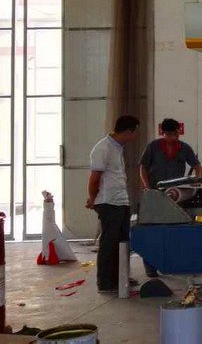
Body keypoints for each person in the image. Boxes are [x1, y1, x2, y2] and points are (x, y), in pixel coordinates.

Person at [139, 118, 202, 277]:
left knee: (173, 229)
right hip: (155, 193)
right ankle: (151, 266)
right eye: (168, 134)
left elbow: (197, 166)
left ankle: (171, 263)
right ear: (163, 133)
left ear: (178, 133)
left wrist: (197, 180)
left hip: (175, 195)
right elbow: (143, 167)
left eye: (174, 134)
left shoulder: (184, 148)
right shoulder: (153, 147)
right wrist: (147, 187)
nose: (171, 138)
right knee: (153, 231)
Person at [86, 115, 141, 293]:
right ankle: (105, 282)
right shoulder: (103, 148)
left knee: (122, 242)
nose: (136, 136)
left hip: (121, 201)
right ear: (128, 131)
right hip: (108, 202)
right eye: (135, 132)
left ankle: (120, 277)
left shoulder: (117, 148)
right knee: (109, 243)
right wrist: (93, 198)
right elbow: (94, 179)